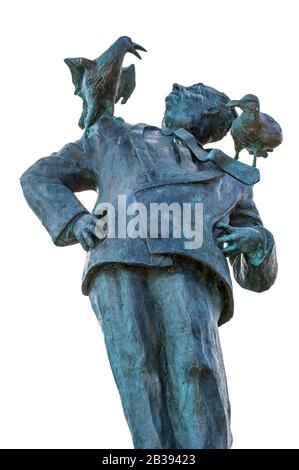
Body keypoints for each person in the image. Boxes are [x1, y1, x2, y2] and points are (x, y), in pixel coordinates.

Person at [20, 82, 277, 449]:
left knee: (196, 370)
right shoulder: (113, 136)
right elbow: (40, 176)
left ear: (208, 113)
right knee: (139, 375)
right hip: (119, 257)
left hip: (191, 267)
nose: (175, 87)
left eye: (192, 90)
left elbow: (257, 273)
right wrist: (75, 220)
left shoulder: (232, 179)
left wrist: (258, 243)